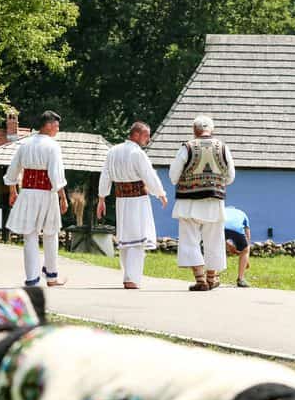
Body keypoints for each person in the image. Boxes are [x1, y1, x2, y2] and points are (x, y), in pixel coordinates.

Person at [96, 121, 168, 288]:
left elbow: (105, 176)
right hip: (137, 200)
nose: (148, 140)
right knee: (137, 238)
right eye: (146, 136)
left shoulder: (112, 151)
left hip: (121, 200)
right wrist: (161, 193)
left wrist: (102, 198)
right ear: (135, 134)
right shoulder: (137, 153)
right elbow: (148, 175)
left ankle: (129, 276)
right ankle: (131, 279)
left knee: (126, 238)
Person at [168, 115, 235, 291]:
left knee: (190, 240)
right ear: (211, 130)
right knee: (214, 241)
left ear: (194, 130)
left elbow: (173, 176)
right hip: (214, 202)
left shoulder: (187, 147)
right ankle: (212, 278)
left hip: (189, 202)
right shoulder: (223, 148)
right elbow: (230, 177)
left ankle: (200, 280)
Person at [4, 110, 68, 287]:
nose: (57, 128)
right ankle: (52, 277)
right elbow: (56, 176)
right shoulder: (53, 146)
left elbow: (12, 171)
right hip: (47, 194)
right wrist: (63, 197)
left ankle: (32, 280)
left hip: (27, 194)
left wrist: (13, 191)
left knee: (30, 236)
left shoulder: (25, 144)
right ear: (47, 125)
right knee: (51, 234)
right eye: (56, 125)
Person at [224, 205, 251, 287]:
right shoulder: (242, 213)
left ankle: (212, 277)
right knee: (245, 249)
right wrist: (246, 257)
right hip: (236, 230)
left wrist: (225, 243)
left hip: (220, 228)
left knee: (216, 249)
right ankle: (241, 279)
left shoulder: (222, 210)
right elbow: (248, 235)